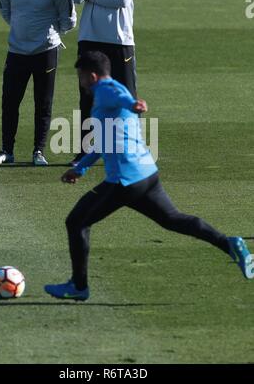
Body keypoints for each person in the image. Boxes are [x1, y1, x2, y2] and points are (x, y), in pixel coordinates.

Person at [44, 51, 254, 301]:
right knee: (173, 219)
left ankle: (79, 287)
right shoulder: (111, 92)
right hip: (146, 174)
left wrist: (134, 104)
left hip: (124, 180)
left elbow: (124, 99)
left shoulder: (106, 90)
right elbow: (103, 142)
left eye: (80, 76)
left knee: (76, 222)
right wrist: (80, 168)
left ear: (91, 76)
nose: (80, 82)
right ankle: (230, 244)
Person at [0, 0, 76, 166]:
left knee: (43, 103)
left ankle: (38, 151)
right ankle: (6, 150)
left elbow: (69, 19)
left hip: (46, 52)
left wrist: (50, 35)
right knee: (9, 101)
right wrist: (21, 30)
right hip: (16, 51)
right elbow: (5, 9)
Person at [69, 0, 139, 166]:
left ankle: (129, 150)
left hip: (120, 40)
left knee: (127, 96)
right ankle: (86, 151)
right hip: (90, 38)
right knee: (87, 97)